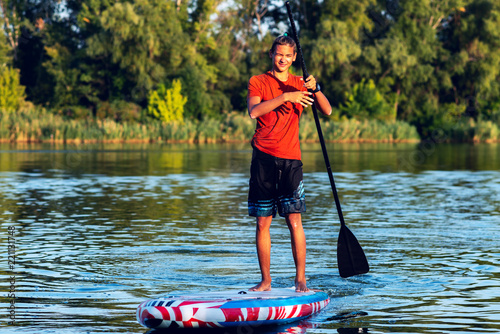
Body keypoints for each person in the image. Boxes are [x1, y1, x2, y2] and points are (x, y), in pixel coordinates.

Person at [247, 35, 332, 292]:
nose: (283, 59)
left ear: (294, 58)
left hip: (291, 161)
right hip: (263, 158)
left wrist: (315, 88)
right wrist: (286, 97)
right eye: (278, 54)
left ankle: (301, 280)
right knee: (263, 221)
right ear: (271, 54)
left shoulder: (300, 83)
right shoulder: (258, 81)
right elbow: (254, 111)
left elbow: (327, 110)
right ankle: (265, 281)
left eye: (288, 55)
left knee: (295, 220)